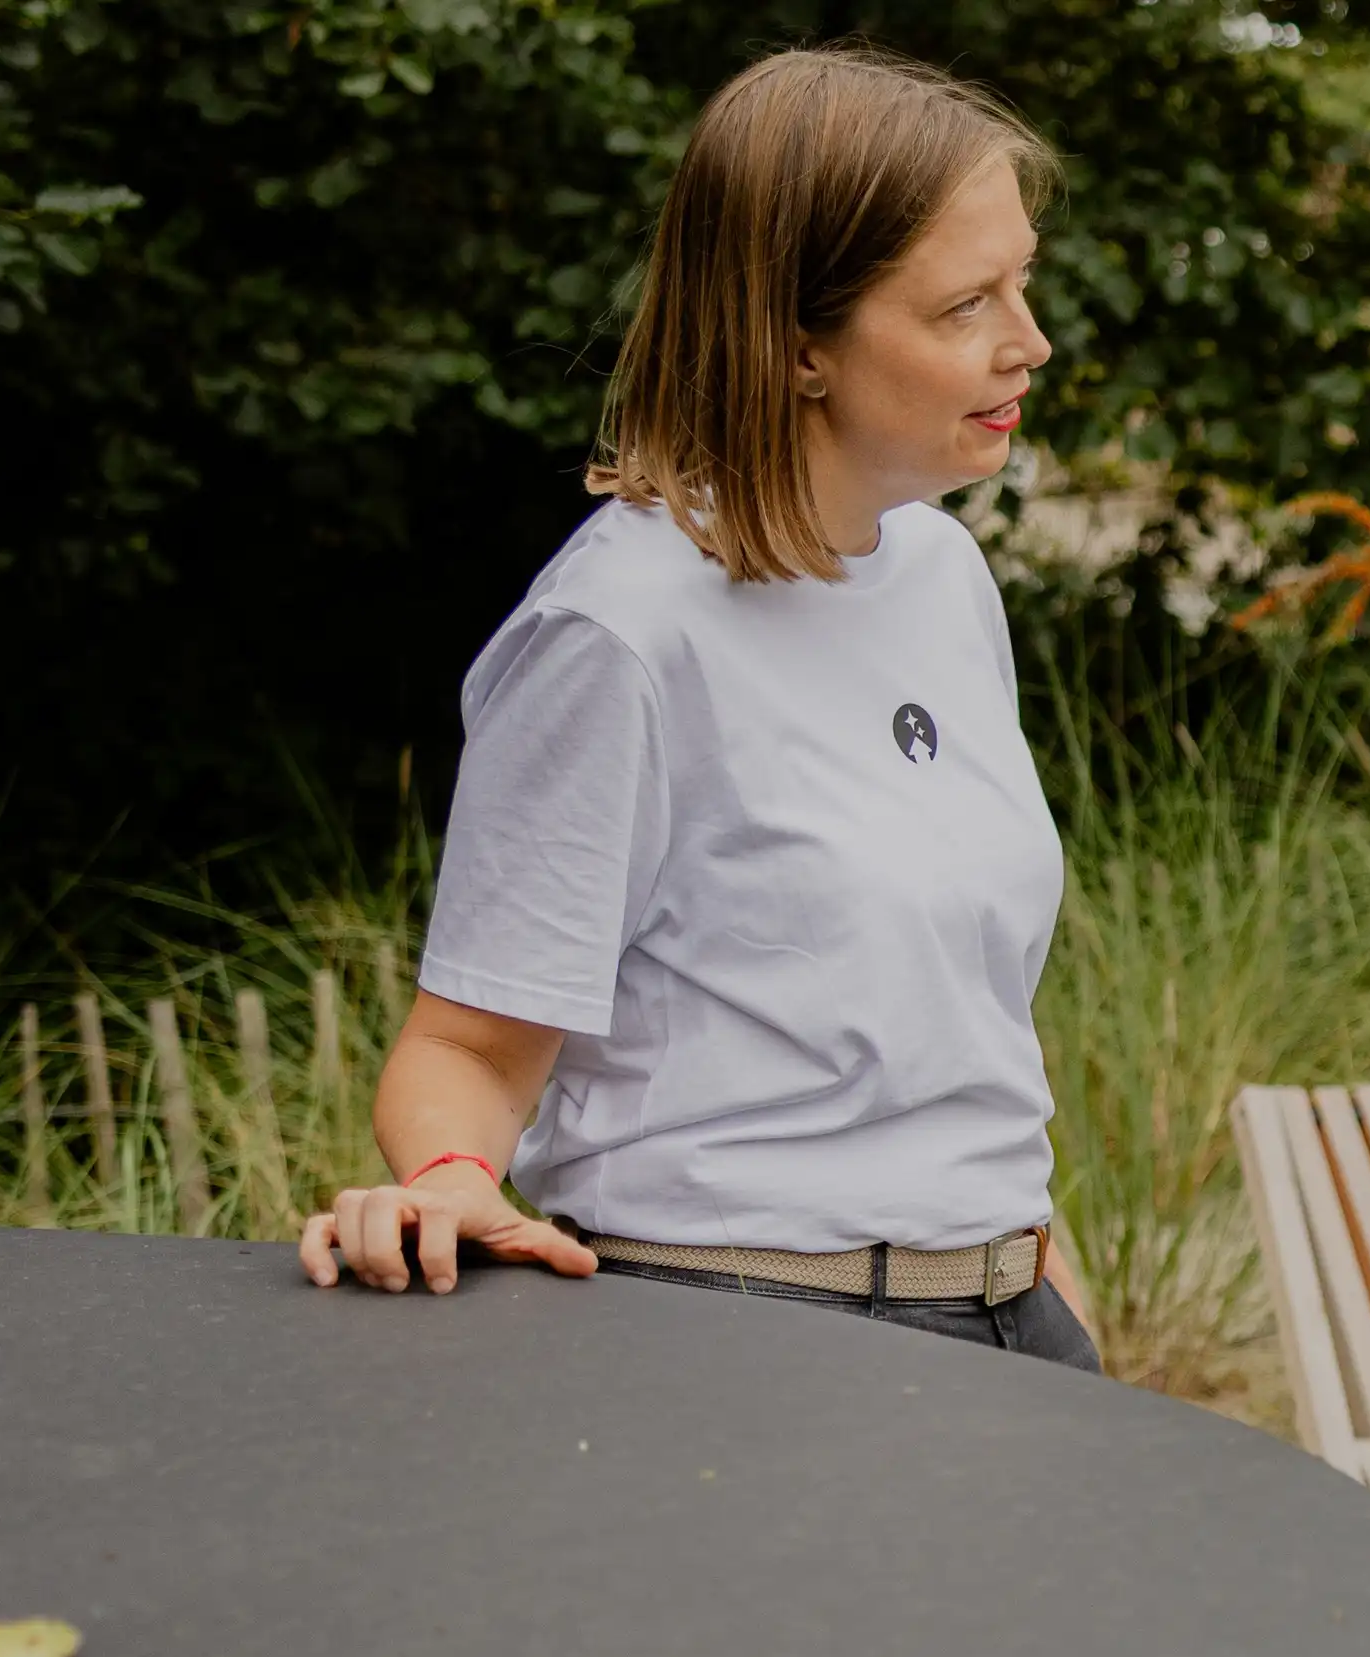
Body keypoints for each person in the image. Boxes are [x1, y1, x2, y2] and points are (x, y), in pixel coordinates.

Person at [298, 47, 1100, 1372]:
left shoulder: (943, 571)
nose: (1031, 341)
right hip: (745, 1339)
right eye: (965, 305)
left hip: (1008, 1312)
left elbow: (951, 1017)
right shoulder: (621, 628)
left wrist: (1028, 1259)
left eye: (1022, 282)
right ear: (800, 345)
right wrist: (452, 1180)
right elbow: (473, 1050)